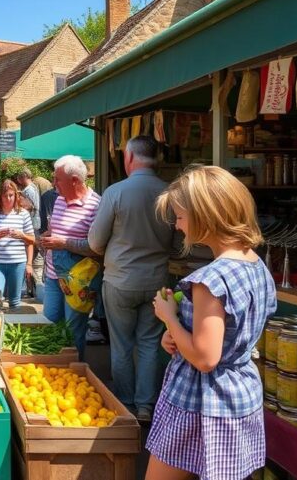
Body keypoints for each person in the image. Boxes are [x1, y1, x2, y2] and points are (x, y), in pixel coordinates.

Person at [148, 165, 275, 480]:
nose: (177, 226)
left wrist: (170, 318)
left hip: (200, 402)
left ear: (205, 215)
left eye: (180, 216)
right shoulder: (256, 264)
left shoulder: (210, 280)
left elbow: (206, 358)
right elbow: (227, 337)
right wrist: (178, 337)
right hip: (239, 397)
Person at [88, 136, 174, 422]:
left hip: (120, 279)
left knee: (121, 344)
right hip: (157, 280)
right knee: (150, 343)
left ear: (129, 158)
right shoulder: (169, 193)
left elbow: (95, 241)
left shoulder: (116, 192)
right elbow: (177, 244)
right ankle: (146, 406)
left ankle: (125, 405)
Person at [41, 156, 101, 359]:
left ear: (74, 180)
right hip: (53, 276)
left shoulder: (95, 205)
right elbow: (54, 229)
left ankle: (74, 373)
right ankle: (52, 369)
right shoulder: (58, 200)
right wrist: (47, 236)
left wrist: (63, 243)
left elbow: (97, 248)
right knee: (50, 324)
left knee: (73, 331)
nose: (54, 183)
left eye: (58, 179)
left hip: (79, 282)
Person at [0, 179, 35, 310]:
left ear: (16, 196)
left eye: (11, 195)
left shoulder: (23, 214)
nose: (8, 198)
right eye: (5, 195)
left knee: (15, 301)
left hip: (18, 264)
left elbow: (32, 241)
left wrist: (22, 236)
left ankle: (12, 327)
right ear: (0, 197)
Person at [17, 168, 42, 297]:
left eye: (19, 177)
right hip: (34, 225)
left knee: (30, 257)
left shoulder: (29, 190)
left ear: (24, 177)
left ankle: (29, 289)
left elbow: (34, 206)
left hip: (32, 225)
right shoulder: (32, 188)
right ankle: (30, 289)